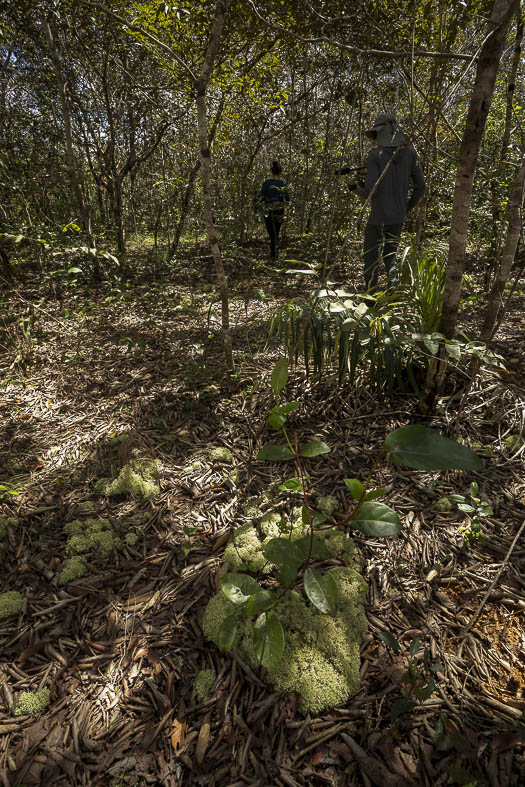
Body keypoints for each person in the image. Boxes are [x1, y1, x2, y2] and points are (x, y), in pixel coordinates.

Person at [350, 112, 425, 290]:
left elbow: (370, 191)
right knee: (391, 255)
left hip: (378, 216)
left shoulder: (375, 156)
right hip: (398, 216)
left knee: (371, 257)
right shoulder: (410, 154)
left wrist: (356, 189)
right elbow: (421, 186)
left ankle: (371, 298)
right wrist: (405, 209)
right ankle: (392, 292)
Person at [259, 160, 289, 260]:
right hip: (279, 210)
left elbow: (261, 197)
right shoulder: (283, 184)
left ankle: (273, 253)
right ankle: (274, 253)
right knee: (276, 232)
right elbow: (287, 199)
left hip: (268, 210)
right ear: (280, 172)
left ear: (271, 172)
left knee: (271, 233)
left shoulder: (266, 183)